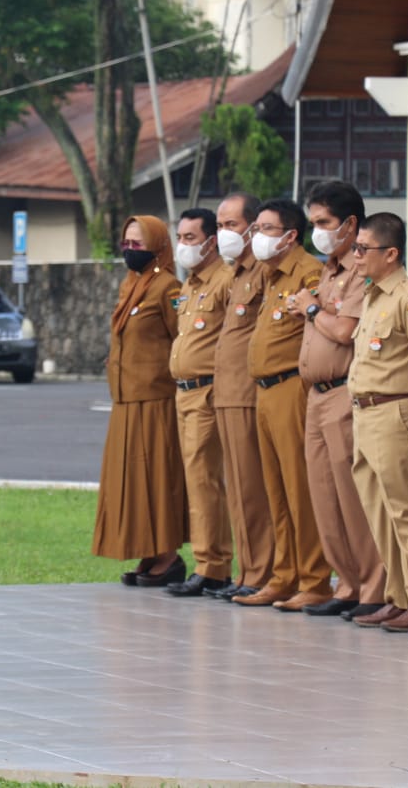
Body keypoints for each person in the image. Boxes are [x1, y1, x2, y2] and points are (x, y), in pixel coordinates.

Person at [286, 182, 385, 618]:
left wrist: (309, 308)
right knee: (324, 495)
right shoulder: (328, 270)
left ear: (350, 224)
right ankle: (345, 581)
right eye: (312, 224)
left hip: (345, 390)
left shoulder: (361, 271)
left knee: (352, 493)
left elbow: (345, 331)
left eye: (323, 223)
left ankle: (372, 586)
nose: (317, 232)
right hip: (315, 394)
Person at [233, 199, 333, 608]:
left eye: (265, 229)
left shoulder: (308, 272)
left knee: (298, 488)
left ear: (290, 235)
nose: (256, 236)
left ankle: (314, 580)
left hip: (292, 387)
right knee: (275, 487)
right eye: (255, 229)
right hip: (265, 391)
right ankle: (283, 575)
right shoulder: (271, 275)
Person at [348, 212, 408, 633]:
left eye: (362, 249)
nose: (355, 257)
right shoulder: (373, 295)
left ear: (391, 253)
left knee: (406, 511)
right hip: (365, 414)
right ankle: (399, 596)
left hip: (396, 411)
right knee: (379, 512)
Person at [93, 214, 188, 587]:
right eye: (126, 244)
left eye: (138, 244)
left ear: (158, 245)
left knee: (157, 478)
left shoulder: (168, 287)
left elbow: (182, 340)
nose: (130, 251)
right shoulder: (130, 284)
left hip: (156, 400)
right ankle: (149, 551)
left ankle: (168, 555)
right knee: (131, 481)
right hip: (126, 400)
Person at [209, 192, 275, 600]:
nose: (223, 233)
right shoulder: (235, 274)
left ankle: (263, 572)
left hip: (249, 394)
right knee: (238, 488)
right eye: (219, 226)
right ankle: (248, 571)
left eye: (230, 225)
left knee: (254, 488)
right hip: (227, 393)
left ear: (252, 228)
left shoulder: (264, 272)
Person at [165, 208, 234, 597]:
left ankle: (213, 566)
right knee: (195, 478)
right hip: (184, 391)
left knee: (205, 478)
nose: (183, 245)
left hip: (208, 390)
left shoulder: (224, 280)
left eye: (190, 238)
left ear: (211, 241)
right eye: (180, 237)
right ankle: (208, 562)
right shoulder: (190, 284)